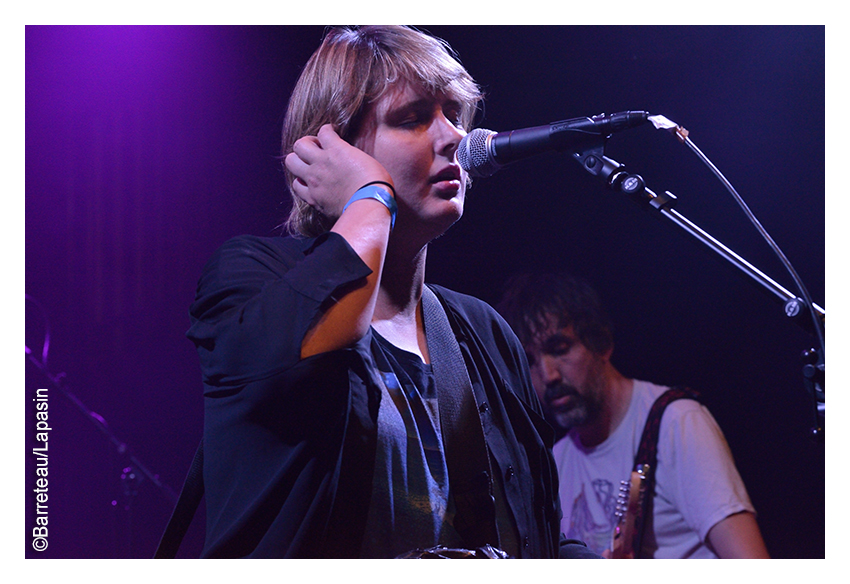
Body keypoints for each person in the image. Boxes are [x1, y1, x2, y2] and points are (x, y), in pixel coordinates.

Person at [185, 26, 595, 559]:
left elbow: (537, 532)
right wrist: (370, 194)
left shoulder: (484, 331)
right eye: (413, 118)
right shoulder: (249, 275)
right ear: (329, 149)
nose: (452, 137)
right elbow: (314, 352)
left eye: (453, 113)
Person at [497, 272, 770, 559]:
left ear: (601, 343)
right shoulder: (555, 462)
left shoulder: (676, 421)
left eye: (560, 349)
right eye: (530, 362)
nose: (548, 375)